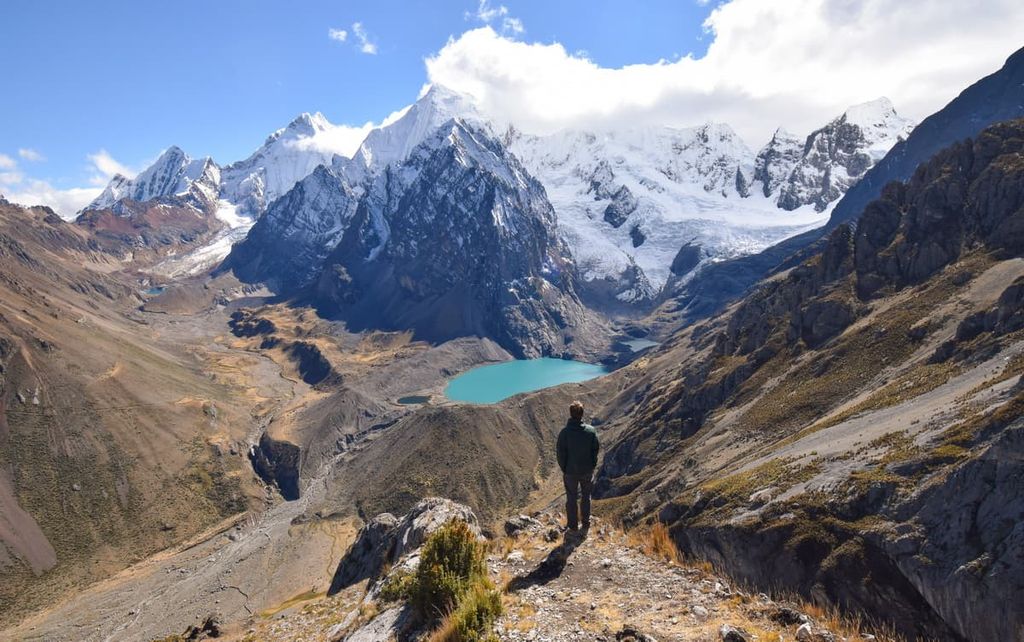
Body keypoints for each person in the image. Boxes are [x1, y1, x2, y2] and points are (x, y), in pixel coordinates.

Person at [556, 400, 600, 532]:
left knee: (571, 498)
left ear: (570, 414)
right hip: (587, 470)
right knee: (586, 496)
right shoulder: (591, 431)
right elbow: (595, 450)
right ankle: (586, 523)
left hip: (570, 471)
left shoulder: (564, 433)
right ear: (582, 414)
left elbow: (560, 453)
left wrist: (564, 468)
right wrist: (592, 464)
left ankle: (573, 526)